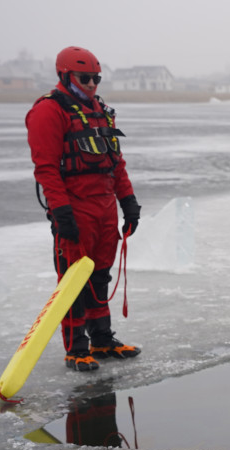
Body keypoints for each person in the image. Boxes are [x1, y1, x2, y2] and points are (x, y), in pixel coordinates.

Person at [26, 46, 142, 372]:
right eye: (84, 78)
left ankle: (102, 340)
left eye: (96, 78)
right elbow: (46, 169)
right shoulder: (49, 111)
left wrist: (128, 203)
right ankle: (77, 349)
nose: (92, 84)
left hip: (104, 206)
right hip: (75, 207)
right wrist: (61, 214)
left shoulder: (100, 110)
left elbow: (115, 164)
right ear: (65, 75)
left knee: (100, 275)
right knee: (74, 281)